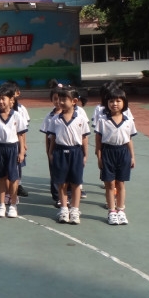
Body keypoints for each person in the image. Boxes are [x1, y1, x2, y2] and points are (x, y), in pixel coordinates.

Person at [46, 85, 91, 225]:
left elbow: (84, 138)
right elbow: (52, 138)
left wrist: (85, 155)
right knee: (61, 183)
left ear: (74, 101)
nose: (60, 102)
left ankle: (75, 209)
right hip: (60, 152)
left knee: (76, 183)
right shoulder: (55, 119)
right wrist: (51, 153)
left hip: (75, 152)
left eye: (64, 99)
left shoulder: (81, 119)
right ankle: (64, 209)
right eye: (59, 99)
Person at [95, 86, 137, 225]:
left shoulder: (128, 121)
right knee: (109, 184)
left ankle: (121, 210)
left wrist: (132, 156)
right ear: (107, 103)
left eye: (118, 101)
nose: (114, 104)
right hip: (108, 152)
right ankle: (111, 211)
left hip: (123, 152)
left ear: (124, 103)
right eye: (111, 101)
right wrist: (99, 157)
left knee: (120, 183)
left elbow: (129, 139)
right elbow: (98, 141)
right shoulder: (102, 120)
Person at [0, 84, 28, 218]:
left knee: (13, 178)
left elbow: (21, 135)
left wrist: (21, 152)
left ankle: (13, 205)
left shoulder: (17, 116)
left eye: (3, 98)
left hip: (13, 148)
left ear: (12, 100)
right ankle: (2, 205)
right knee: (1, 178)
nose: (1, 101)